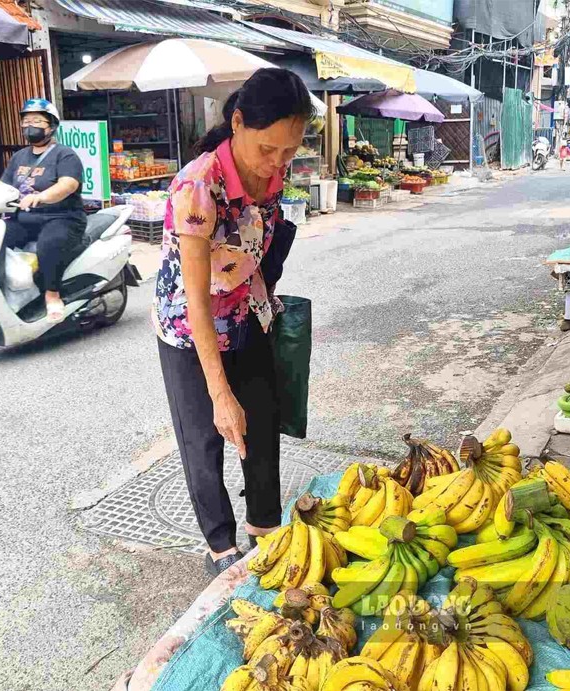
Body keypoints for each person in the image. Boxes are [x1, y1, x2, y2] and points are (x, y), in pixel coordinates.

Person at [153, 68, 315, 575]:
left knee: (262, 425)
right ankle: (221, 548)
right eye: (268, 148)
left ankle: (265, 534)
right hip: (190, 329)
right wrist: (220, 392)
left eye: (289, 151)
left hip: (248, 315)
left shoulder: (273, 171)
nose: (277, 163)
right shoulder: (198, 186)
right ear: (238, 121)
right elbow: (195, 299)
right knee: (206, 436)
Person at [1, 98, 87, 322]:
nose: (30, 126)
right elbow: (5, 188)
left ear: (51, 125)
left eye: (37, 120)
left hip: (62, 217)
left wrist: (40, 197)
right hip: (25, 218)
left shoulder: (65, 155)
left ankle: (52, 295)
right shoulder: (19, 157)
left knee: (48, 244)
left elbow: (68, 185)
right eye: (26, 120)